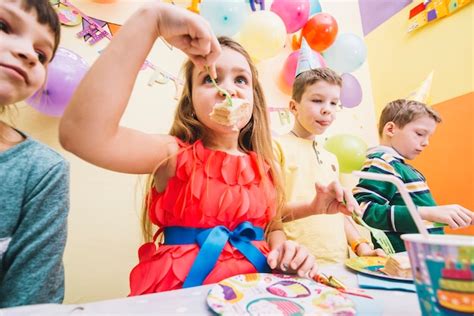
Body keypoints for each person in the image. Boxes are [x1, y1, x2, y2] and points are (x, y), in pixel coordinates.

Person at [58, 2, 354, 295]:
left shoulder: (264, 165)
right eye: (210, 78)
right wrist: (151, 20)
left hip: (256, 296)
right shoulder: (172, 155)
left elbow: (270, 224)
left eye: (240, 79)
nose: (228, 89)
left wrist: (285, 250)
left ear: (254, 99)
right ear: (191, 101)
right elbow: (83, 135)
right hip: (184, 295)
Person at [274, 40, 385, 264]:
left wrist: (361, 247)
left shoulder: (329, 157)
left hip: (340, 263)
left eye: (334, 103)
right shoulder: (277, 147)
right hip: (298, 262)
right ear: (294, 107)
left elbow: (337, 211)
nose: (327, 109)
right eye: (317, 100)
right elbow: (271, 213)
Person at [0, 0, 69, 307]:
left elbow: (32, 301)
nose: (29, 53)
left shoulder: (43, 169)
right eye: (3, 26)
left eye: (42, 55)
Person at [353, 99, 473, 252]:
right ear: (390, 129)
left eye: (429, 136)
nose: (426, 143)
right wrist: (427, 212)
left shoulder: (402, 167)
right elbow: (363, 210)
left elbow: (418, 221)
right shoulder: (382, 161)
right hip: (404, 261)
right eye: (420, 134)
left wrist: (439, 218)